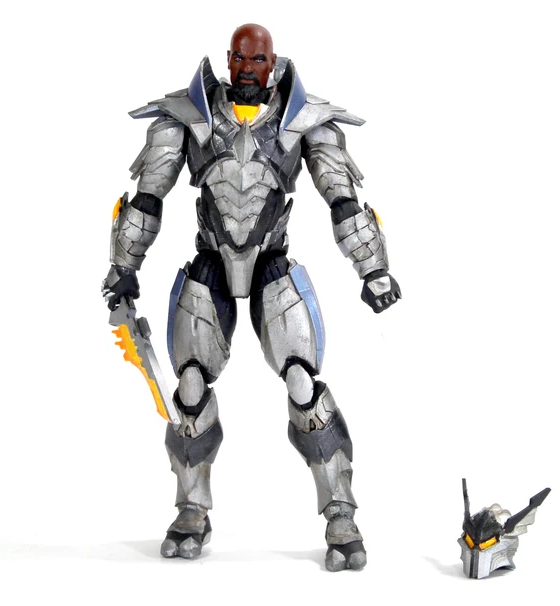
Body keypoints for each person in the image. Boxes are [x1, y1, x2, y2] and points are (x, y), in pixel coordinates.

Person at [103, 23, 401, 572]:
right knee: (189, 386)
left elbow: (342, 200)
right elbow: (147, 197)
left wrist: (374, 270)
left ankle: (341, 514)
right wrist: (123, 267)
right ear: (228, 59)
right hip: (211, 262)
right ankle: (191, 511)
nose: (247, 69)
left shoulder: (303, 119)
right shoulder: (190, 115)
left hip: (271, 263)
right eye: (239, 60)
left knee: (302, 382)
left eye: (257, 60)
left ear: (272, 62)